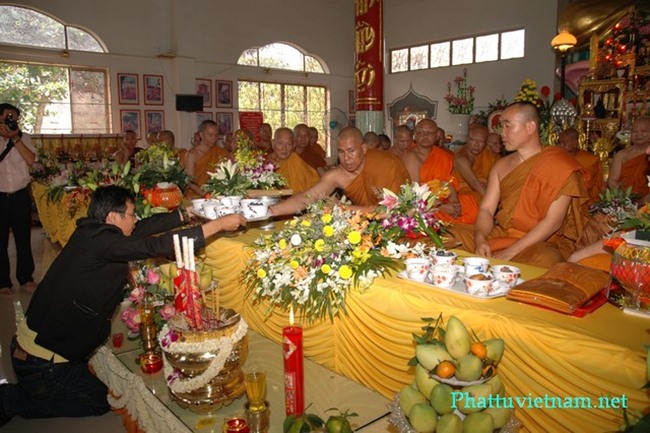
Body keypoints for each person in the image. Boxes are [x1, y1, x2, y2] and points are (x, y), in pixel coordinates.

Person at [0, 185, 245, 426]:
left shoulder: (93, 233)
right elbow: (154, 246)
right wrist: (218, 225)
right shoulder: (103, 242)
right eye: (131, 214)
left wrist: (186, 214)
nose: (135, 219)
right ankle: (10, 400)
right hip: (41, 362)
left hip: (35, 348)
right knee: (99, 401)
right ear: (112, 217)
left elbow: (143, 228)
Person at [449, 102, 588, 268]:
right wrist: (479, 239)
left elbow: (553, 222)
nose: (502, 133)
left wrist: (509, 253)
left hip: (540, 243)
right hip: (503, 234)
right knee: (447, 236)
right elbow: (486, 210)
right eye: (501, 127)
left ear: (530, 127)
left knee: (545, 259)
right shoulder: (501, 166)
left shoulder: (561, 165)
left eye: (508, 126)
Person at [269, 126, 410, 215]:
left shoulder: (388, 164)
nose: (346, 158)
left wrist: (345, 208)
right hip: (367, 225)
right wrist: (269, 211)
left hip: (400, 227)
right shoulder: (338, 175)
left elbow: (398, 210)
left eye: (351, 151)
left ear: (364, 148)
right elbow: (305, 198)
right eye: (341, 152)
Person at [402, 119, 478, 224]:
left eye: (429, 132)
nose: (425, 136)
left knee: (469, 204)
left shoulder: (444, 156)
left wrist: (454, 202)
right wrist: (441, 207)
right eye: (421, 132)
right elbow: (415, 192)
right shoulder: (411, 156)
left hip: (443, 197)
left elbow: (448, 182)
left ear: (437, 135)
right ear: (415, 134)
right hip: (423, 203)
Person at [0, 103, 37, 297]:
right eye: (7, 117)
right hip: (0, 196)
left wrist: (15, 138)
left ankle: (26, 278)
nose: (11, 121)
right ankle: (2, 282)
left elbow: (31, 160)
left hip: (20, 195)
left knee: (23, 239)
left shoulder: (24, 138)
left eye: (14, 118)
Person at [452, 126, 499, 203]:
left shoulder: (488, 155)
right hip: (463, 197)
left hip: (484, 192)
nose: (476, 145)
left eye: (481, 141)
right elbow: (476, 186)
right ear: (467, 139)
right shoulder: (461, 159)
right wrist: (494, 203)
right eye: (473, 140)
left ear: (486, 143)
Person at [558, 127, 604, 206]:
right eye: (559, 143)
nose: (560, 146)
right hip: (561, 200)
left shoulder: (590, 160)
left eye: (564, 143)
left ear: (575, 143)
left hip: (585, 201)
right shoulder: (557, 159)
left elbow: (591, 185)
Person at [267, 127, 319, 194]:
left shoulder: (295, 160)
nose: (284, 148)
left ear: (294, 145)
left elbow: (314, 182)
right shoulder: (263, 164)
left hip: (298, 199)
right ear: (273, 143)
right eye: (280, 143)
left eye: (289, 144)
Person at [608, 117, 650, 198]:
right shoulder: (621, 155)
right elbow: (612, 180)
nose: (638, 134)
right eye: (634, 131)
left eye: (643, 131)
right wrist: (622, 197)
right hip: (623, 198)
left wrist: (643, 201)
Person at [184, 120, 228, 198]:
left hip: (217, 193)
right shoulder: (192, 155)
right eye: (210, 135)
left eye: (216, 135)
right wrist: (205, 194)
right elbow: (190, 181)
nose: (214, 138)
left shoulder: (220, 152)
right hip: (197, 195)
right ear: (201, 135)